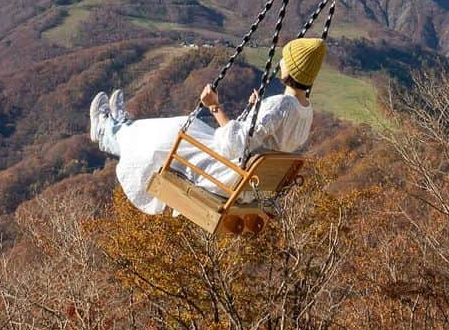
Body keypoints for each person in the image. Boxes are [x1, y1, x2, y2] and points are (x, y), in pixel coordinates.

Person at [89, 37, 326, 215]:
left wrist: (214, 106)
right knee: (184, 126)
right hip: (249, 182)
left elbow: (233, 144)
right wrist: (255, 111)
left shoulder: (280, 105)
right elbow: (267, 139)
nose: (282, 61)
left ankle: (107, 131)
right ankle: (121, 125)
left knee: (170, 135)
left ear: (293, 68)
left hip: (226, 175)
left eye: (286, 59)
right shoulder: (306, 111)